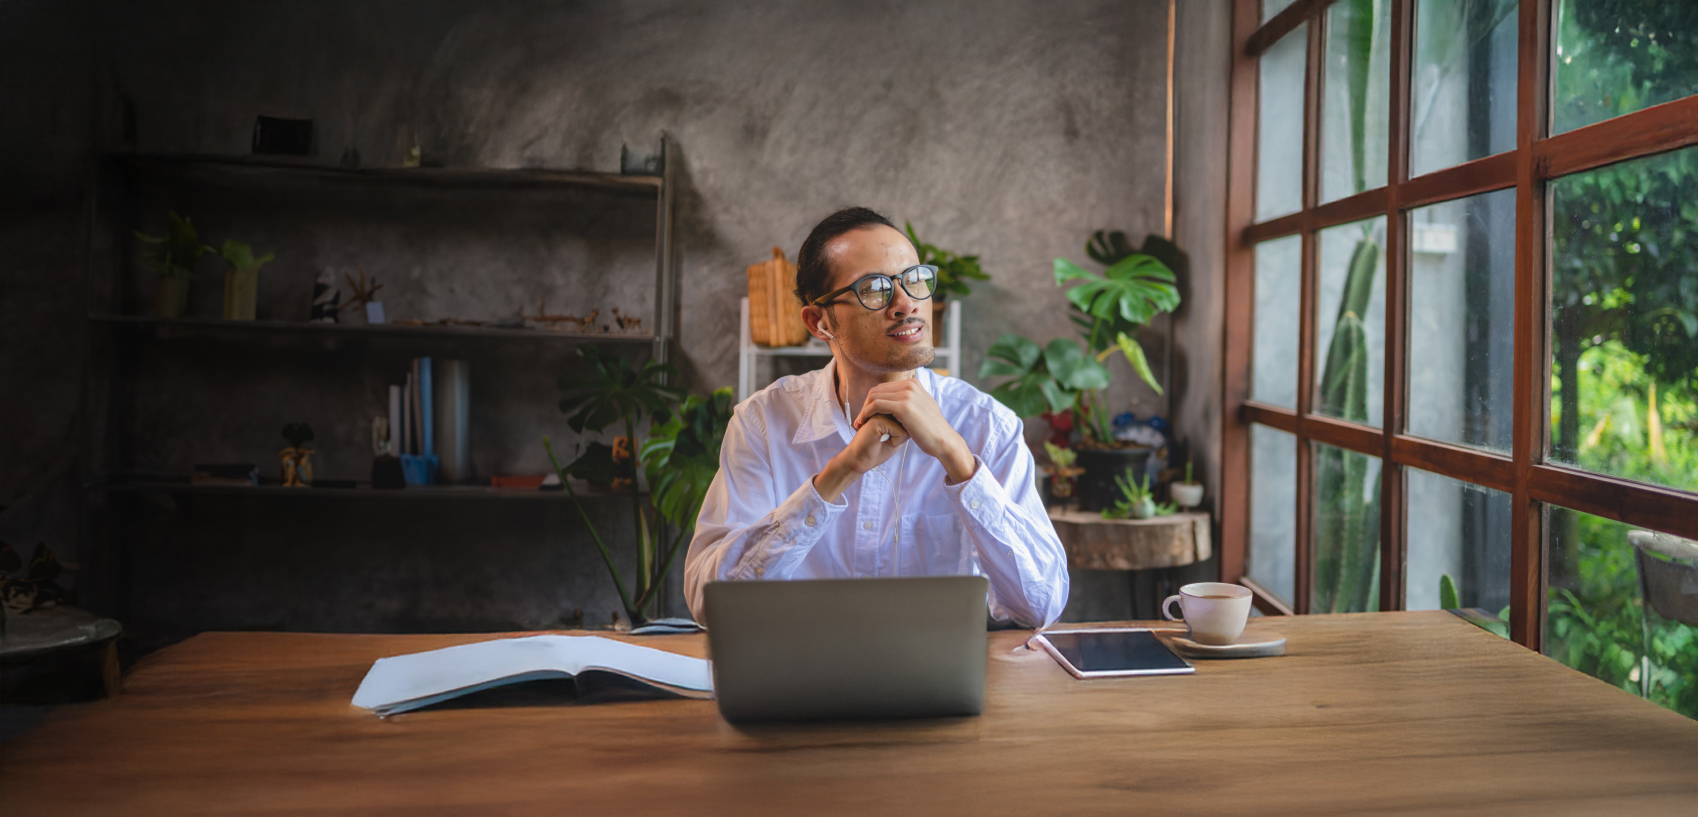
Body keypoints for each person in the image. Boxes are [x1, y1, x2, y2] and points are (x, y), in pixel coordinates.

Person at [683, 207, 1069, 628]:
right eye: (875, 289)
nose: (906, 304)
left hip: (938, 685)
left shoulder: (986, 426)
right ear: (819, 321)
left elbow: (1042, 605)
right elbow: (710, 605)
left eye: (914, 280)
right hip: (797, 681)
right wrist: (841, 472)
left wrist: (957, 458)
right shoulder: (763, 423)